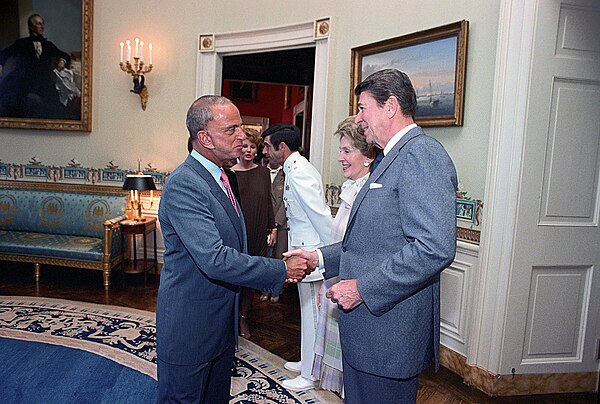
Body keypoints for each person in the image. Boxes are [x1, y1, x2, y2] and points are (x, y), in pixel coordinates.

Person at [285, 69, 458, 403]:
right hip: (368, 332)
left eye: (363, 108)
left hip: (388, 335)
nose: (358, 118)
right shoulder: (387, 159)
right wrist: (318, 258)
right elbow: (371, 241)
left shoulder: (421, 155)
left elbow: (434, 248)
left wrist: (362, 289)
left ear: (390, 106)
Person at [156, 95, 313, 403]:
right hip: (192, 326)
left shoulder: (224, 175)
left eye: (241, 127)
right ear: (204, 138)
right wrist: (280, 269)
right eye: (231, 129)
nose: (242, 136)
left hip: (221, 323)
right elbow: (214, 258)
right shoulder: (184, 183)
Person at [262, 123, 333, 391]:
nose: (265, 151)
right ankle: (307, 362)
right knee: (306, 312)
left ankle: (311, 374)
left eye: (268, 146)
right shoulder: (293, 168)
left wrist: (329, 255)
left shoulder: (299, 171)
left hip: (311, 253)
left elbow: (320, 216)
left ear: (282, 147)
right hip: (303, 249)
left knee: (312, 314)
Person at [312, 116, 378, 396]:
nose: (340, 157)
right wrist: (324, 282)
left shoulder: (371, 194)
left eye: (347, 151)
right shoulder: (351, 188)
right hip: (337, 287)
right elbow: (339, 242)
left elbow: (365, 251)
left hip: (354, 296)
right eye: (341, 150)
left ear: (368, 156)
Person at [230, 127, 277, 338]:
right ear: (239, 148)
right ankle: (231, 315)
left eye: (253, 147)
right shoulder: (229, 174)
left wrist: (272, 228)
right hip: (236, 231)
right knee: (234, 274)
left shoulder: (264, 172)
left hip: (258, 231)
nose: (249, 150)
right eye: (245, 146)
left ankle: (244, 318)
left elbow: (269, 202)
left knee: (250, 277)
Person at [0, 14, 71, 119]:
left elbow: (64, 55)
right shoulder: (21, 43)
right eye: (38, 24)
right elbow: (4, 54)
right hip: (25, 82)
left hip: (44, 82)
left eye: (42, 23)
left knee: (55, 107)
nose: (42, 26)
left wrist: (62, 60)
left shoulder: (48, 45)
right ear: (31, 27)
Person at [259, 158, 288, 303]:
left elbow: (285, 201)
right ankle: (265, 289)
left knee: (279, 259)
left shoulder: (286, 173)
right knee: (265, 259)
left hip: (281, 224)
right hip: (263, 223)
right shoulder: (260, 170)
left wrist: (276, 223)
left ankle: (276, 290)